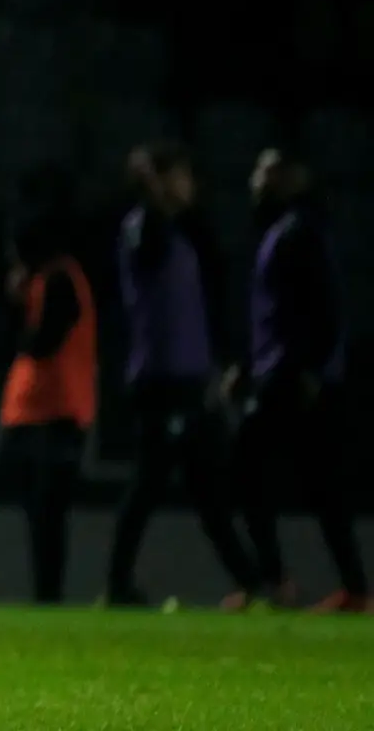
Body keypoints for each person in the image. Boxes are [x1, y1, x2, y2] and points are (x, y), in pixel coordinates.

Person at [104, 142, 262, 607]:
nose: (189, 185)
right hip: (161, 381)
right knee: (150, 483)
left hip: (192, 380)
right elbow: (149, 253)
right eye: (180, 176)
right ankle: (118, 584)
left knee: (209, 489)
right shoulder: (143, 229)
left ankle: (251, 583)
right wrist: (153, 189)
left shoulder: (181, 237)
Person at [231, 149, 369, 613]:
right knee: (318, 484)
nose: (255, 179)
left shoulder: (301, 231)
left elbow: (326, 308)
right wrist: (248, 366)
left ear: (292, 177)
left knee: (248, 469)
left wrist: (312, 370)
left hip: (293, 376)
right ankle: (351, 587)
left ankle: (277, 581)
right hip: (280, 371)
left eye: (265, 170)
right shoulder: (282, 230)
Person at [0, 166, 97, 605]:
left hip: (52, 409)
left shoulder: (57, 280)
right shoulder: (58, 277)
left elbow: (41, 343)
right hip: (45, 410)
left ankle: (48, 594)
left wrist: (18, 310)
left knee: (46, 512)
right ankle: (46, 593)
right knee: (43, 513)